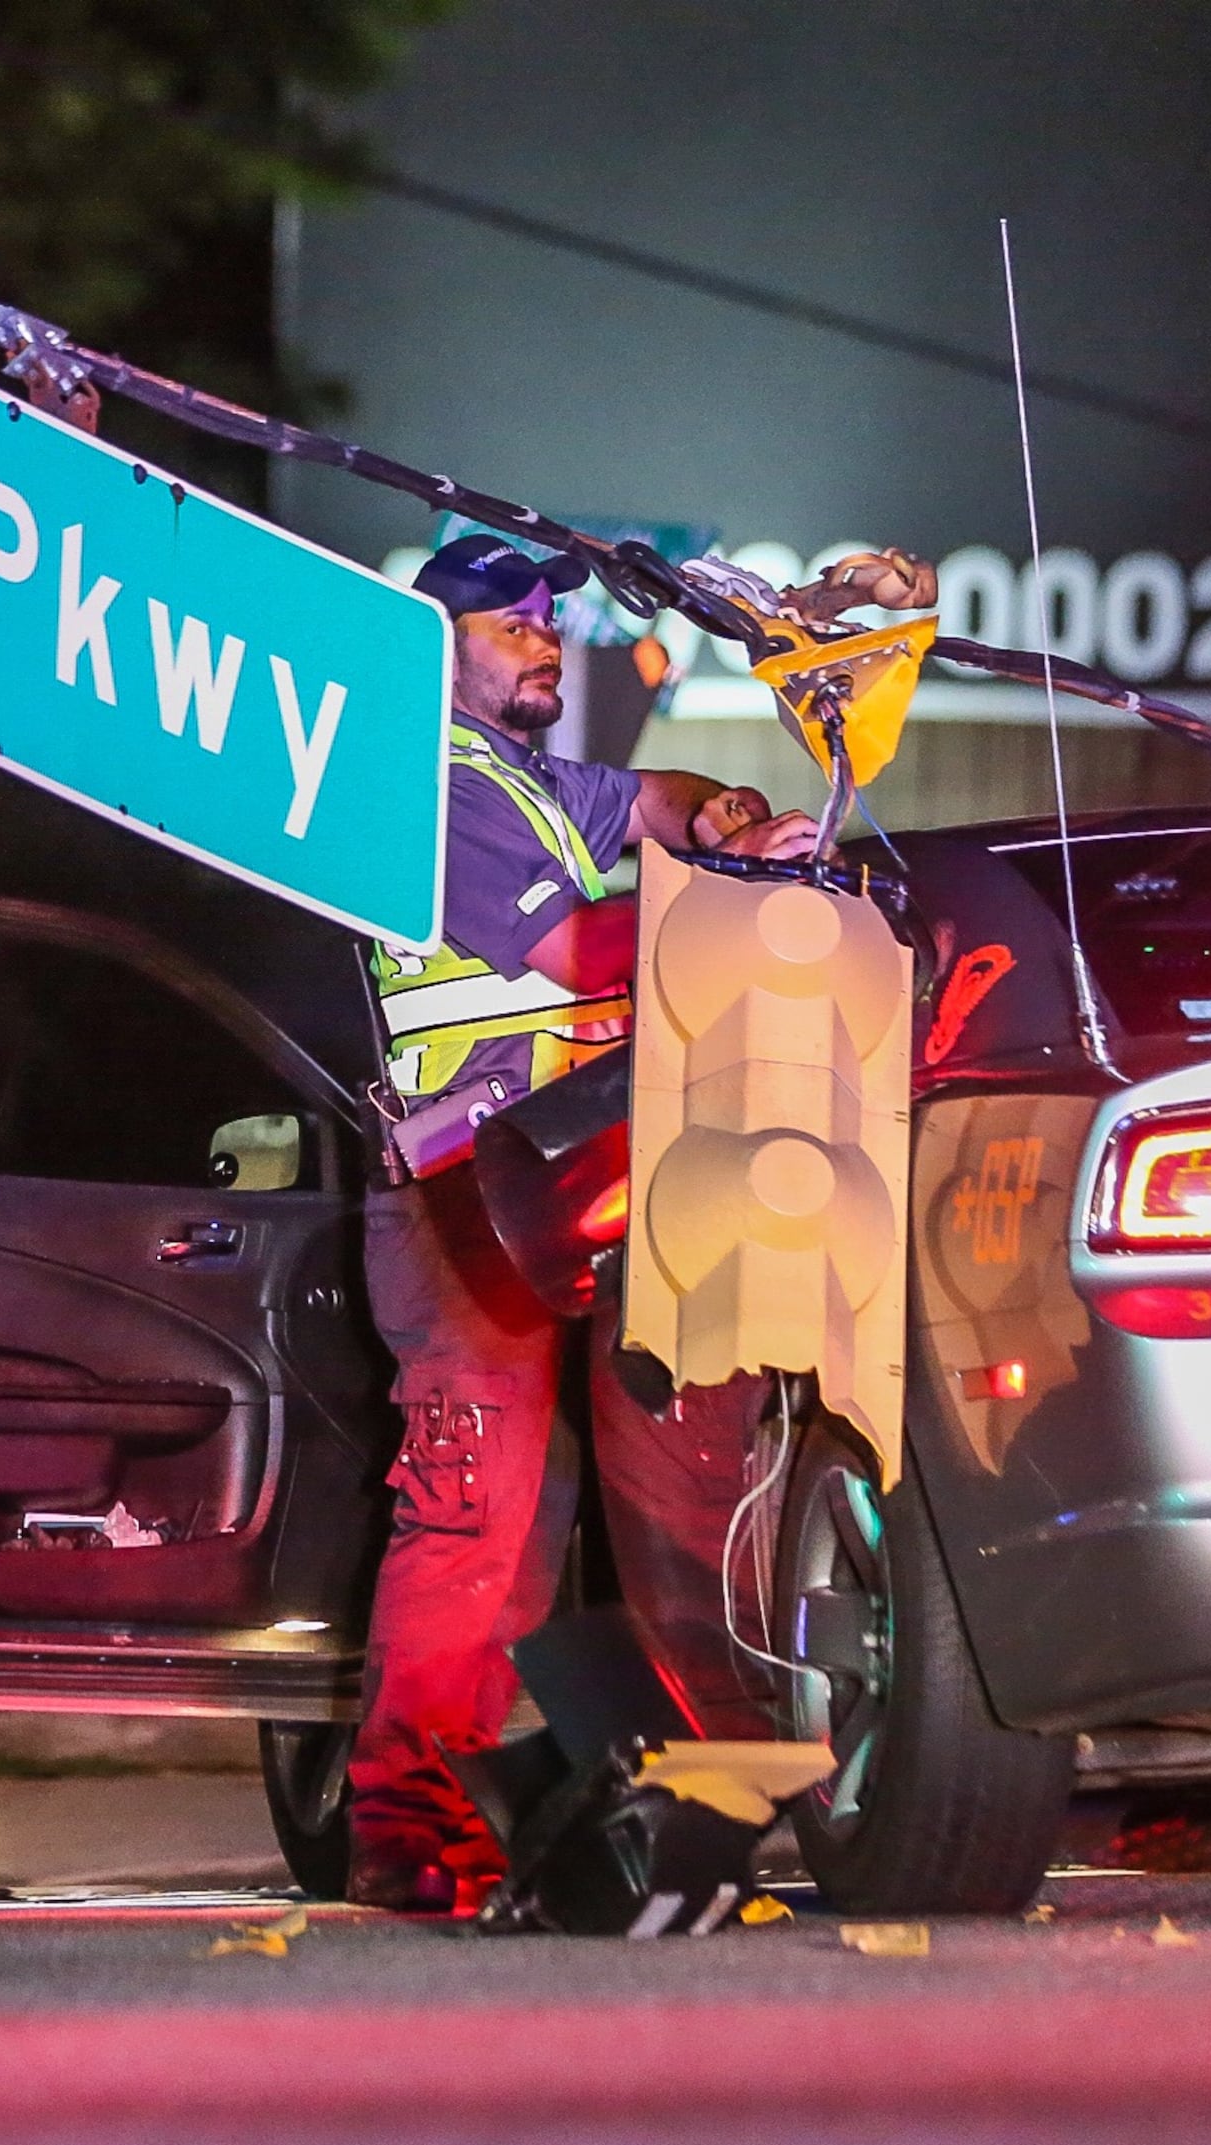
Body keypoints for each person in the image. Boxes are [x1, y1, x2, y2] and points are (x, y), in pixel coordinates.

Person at [341, 533, 820, 1914]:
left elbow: (648, 798)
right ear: (438, 651)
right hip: (462, 1188)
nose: (544, 637)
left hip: (563, 1175)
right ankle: (407, 1828)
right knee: (476, 1508)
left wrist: (717, 809)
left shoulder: (522, 776)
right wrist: (746, 890)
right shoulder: (426, 781)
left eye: (549, 618)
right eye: (508, 623)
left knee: (572, 1511)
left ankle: (567, 1805)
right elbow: (581, 954)